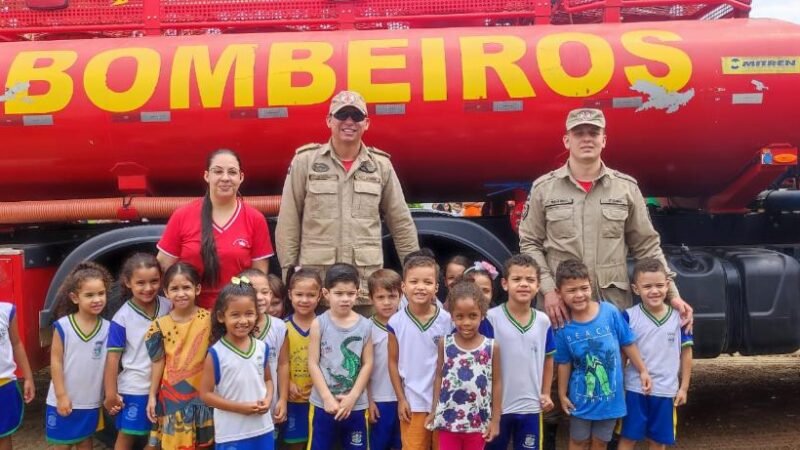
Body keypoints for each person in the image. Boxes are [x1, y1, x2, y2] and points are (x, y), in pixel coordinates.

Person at [518, 108, 693, 329]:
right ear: (566, 140)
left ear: (604, 140)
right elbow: (530, 243)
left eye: (593, 132)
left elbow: (646, 246)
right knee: (561, 364)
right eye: (579, 133)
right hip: (561, 306)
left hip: (610, 304)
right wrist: (548, 290)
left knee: (611, 362)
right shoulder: (544, 188)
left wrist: (673, 294)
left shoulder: (625, 188)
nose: (587, 138)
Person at [276, 90, 420, 302]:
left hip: (364, 286)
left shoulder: (381, 166)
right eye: (342, 115)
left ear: (367, 123)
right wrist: (289, 272)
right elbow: (288, 221)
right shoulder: (305, 162)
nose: (349, 122)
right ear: (329, 120)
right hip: (318, 287)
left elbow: (400, 222)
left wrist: (415, 273)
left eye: (357, 116)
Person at [157, 149, 274, 309]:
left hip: (236, 315)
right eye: (218, 171)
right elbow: (163, 266)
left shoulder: (255, 219)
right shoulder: (182, 215)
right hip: (190, 314)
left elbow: (259, 277)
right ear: (207, 176)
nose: (225, 178)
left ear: (241, 177)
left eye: (232, 172)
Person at [553, 260, 651, 450]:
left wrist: (643, 370)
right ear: (559, 293)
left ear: (591, 284)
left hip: (611, 401)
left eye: (584, 288)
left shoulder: (609, 312)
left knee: (601, 442)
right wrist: (561, 393)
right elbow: (564, 363)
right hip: (580, 400)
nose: (579, 295)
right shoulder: (564, 328)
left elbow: (627, 342)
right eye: (572, 290)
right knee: (578, 441)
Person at [618, 259, 693, 450]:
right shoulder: (629, 316)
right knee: (628, 437)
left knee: (658, 441)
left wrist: (683, 388)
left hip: (666, 390)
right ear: (636, 289)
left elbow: (686, 354)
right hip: (635, 388)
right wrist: (618, 384)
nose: (654, 291)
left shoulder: (681, 318)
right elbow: (623, 354)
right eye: (647, 286)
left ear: (668, 285)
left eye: (659, 285)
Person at [485, 254, 555, 450]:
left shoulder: (543, 321)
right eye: (517, 279)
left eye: (530, 280)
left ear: (538, 285)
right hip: (497, 407)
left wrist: (546, 393)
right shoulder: (491, 318)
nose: (524, 284)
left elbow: (548, 359)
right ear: (505, 284)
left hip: (531, 406)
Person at [104, 253, 171, 450]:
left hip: (165, 386)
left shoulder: (168, 306)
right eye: (140, 283)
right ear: (127, 282)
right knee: (127, 435)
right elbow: (112, 358)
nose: (148, 288)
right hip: (135, 387)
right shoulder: (122, 317)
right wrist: (110, 393)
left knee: (157, 438)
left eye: (154, 281)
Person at [199, 279, 275, 450]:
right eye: (235, 315)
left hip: (263, 428)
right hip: (231, 433)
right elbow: (205, 394)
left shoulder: (262, 348)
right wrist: (240, 408)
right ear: (221, 316)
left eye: (249, 313)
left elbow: (268, 380)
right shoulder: (216, 353)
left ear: (257, 314)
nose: (243, 320)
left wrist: (268, 399)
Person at [145, 263, 213, 449]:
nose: (181, 293)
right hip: (172, 398)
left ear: (197, 289)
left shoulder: (210, 321)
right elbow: (157, 362)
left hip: (202, 395)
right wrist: (152, 395)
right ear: (166, 293)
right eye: (175, 288)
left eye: (186, 287)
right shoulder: (159, 326)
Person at [388, 255, 453, 450]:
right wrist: (401, 399)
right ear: (403, 286)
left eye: (427, 282)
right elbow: (392, 362)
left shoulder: (447, 320)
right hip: (412, 402)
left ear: (436, 288)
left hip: (443, 403)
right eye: (414, 281)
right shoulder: (396, 322)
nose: (420, 287)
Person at [427, 281, 502, 449]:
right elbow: (439, 376)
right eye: (459, 316)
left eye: (472, 316)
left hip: (478, 422)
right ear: (452, 316)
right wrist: (434, 410)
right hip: (448, 421)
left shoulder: (491, 347)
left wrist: (496, 419)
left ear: (482, 314)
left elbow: (497, 383)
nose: (466, 322)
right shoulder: (445, 344)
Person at [45, 262, 112, 449]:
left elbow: (109, 365)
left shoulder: (108, 328)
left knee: (85, 442)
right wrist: (61, 395)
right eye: (89, 295)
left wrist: (110, 394)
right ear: (75, 297)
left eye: (101, 293)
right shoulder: (63, 326)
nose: (97, 299)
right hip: (63, 399)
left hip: (90, 401)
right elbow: (56, 362)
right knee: (62, 444)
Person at [307, 264, 374, 449]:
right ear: (326, 293)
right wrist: (327, 397)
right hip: (322, 404)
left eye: (350, 293)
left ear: (357, 293)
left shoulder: (366, 326)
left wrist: (353, 397)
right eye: (339, 293)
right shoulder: (319, 324)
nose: (345, 299)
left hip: (356, 405)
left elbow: (368, 364)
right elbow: (312, 363)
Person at [240, 268, 290, 437]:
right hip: (239, 405)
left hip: (270, 404)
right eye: (254, 292)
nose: (260, 297)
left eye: (265, 292)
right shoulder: (233, 327)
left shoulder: (279, 326)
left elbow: (283, 364)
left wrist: (282, 399)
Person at [283, 268, 323, 450]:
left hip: (319, 399)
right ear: (290, 294)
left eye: (311, 295)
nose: (305, 300)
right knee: (295, 444)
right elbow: (276, 362)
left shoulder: (326, 326)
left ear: (320, 296)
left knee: (318, 442)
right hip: (292, 400)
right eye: (299, 294)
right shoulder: (281, 327)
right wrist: (287, 383)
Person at [366, 269, 403, 450]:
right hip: (379, 399)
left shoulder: (406, 324)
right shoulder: (367, 328)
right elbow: (363, 369)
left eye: (392, 296)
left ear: (401, 295)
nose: (387, 302)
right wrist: (369, 400)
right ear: (371, 298)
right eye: (381, 297)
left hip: (405, 398)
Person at [0, 301, 35, 450]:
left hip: (4, 385)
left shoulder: (7, 311)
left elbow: (16, 344)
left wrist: (28, 377)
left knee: (3, 434)